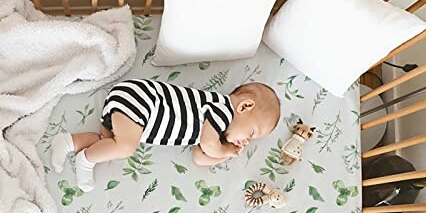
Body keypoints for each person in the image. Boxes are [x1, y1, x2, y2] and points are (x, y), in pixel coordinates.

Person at [50, 80, 281, 192]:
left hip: (135, 113)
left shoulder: (216, 128)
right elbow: (209, 146)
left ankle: (71, 142)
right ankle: (86, 160)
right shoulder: (222, 109)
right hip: (142, 101)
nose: (248, 141)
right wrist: (226, 150)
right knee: (126, 147)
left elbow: (199, 158)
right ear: (245, 106)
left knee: (110, 144)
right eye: (252, 132)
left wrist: (225, 155)